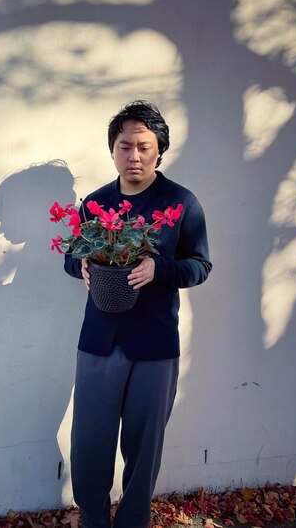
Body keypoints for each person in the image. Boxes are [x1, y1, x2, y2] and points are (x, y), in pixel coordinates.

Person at [64, 100, 212, 528]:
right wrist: (83, 264)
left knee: (145, 446)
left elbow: (200, 266)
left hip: (155, 343)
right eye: (125, 145)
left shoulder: (182, 203)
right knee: (90, 441)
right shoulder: (95, 204)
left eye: (144, 146)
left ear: (159, 150)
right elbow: (71, 258)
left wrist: (158, 268)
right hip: (99, 342)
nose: (134, 155)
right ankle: (93, 519)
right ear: (112, 149)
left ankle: (133, 521)